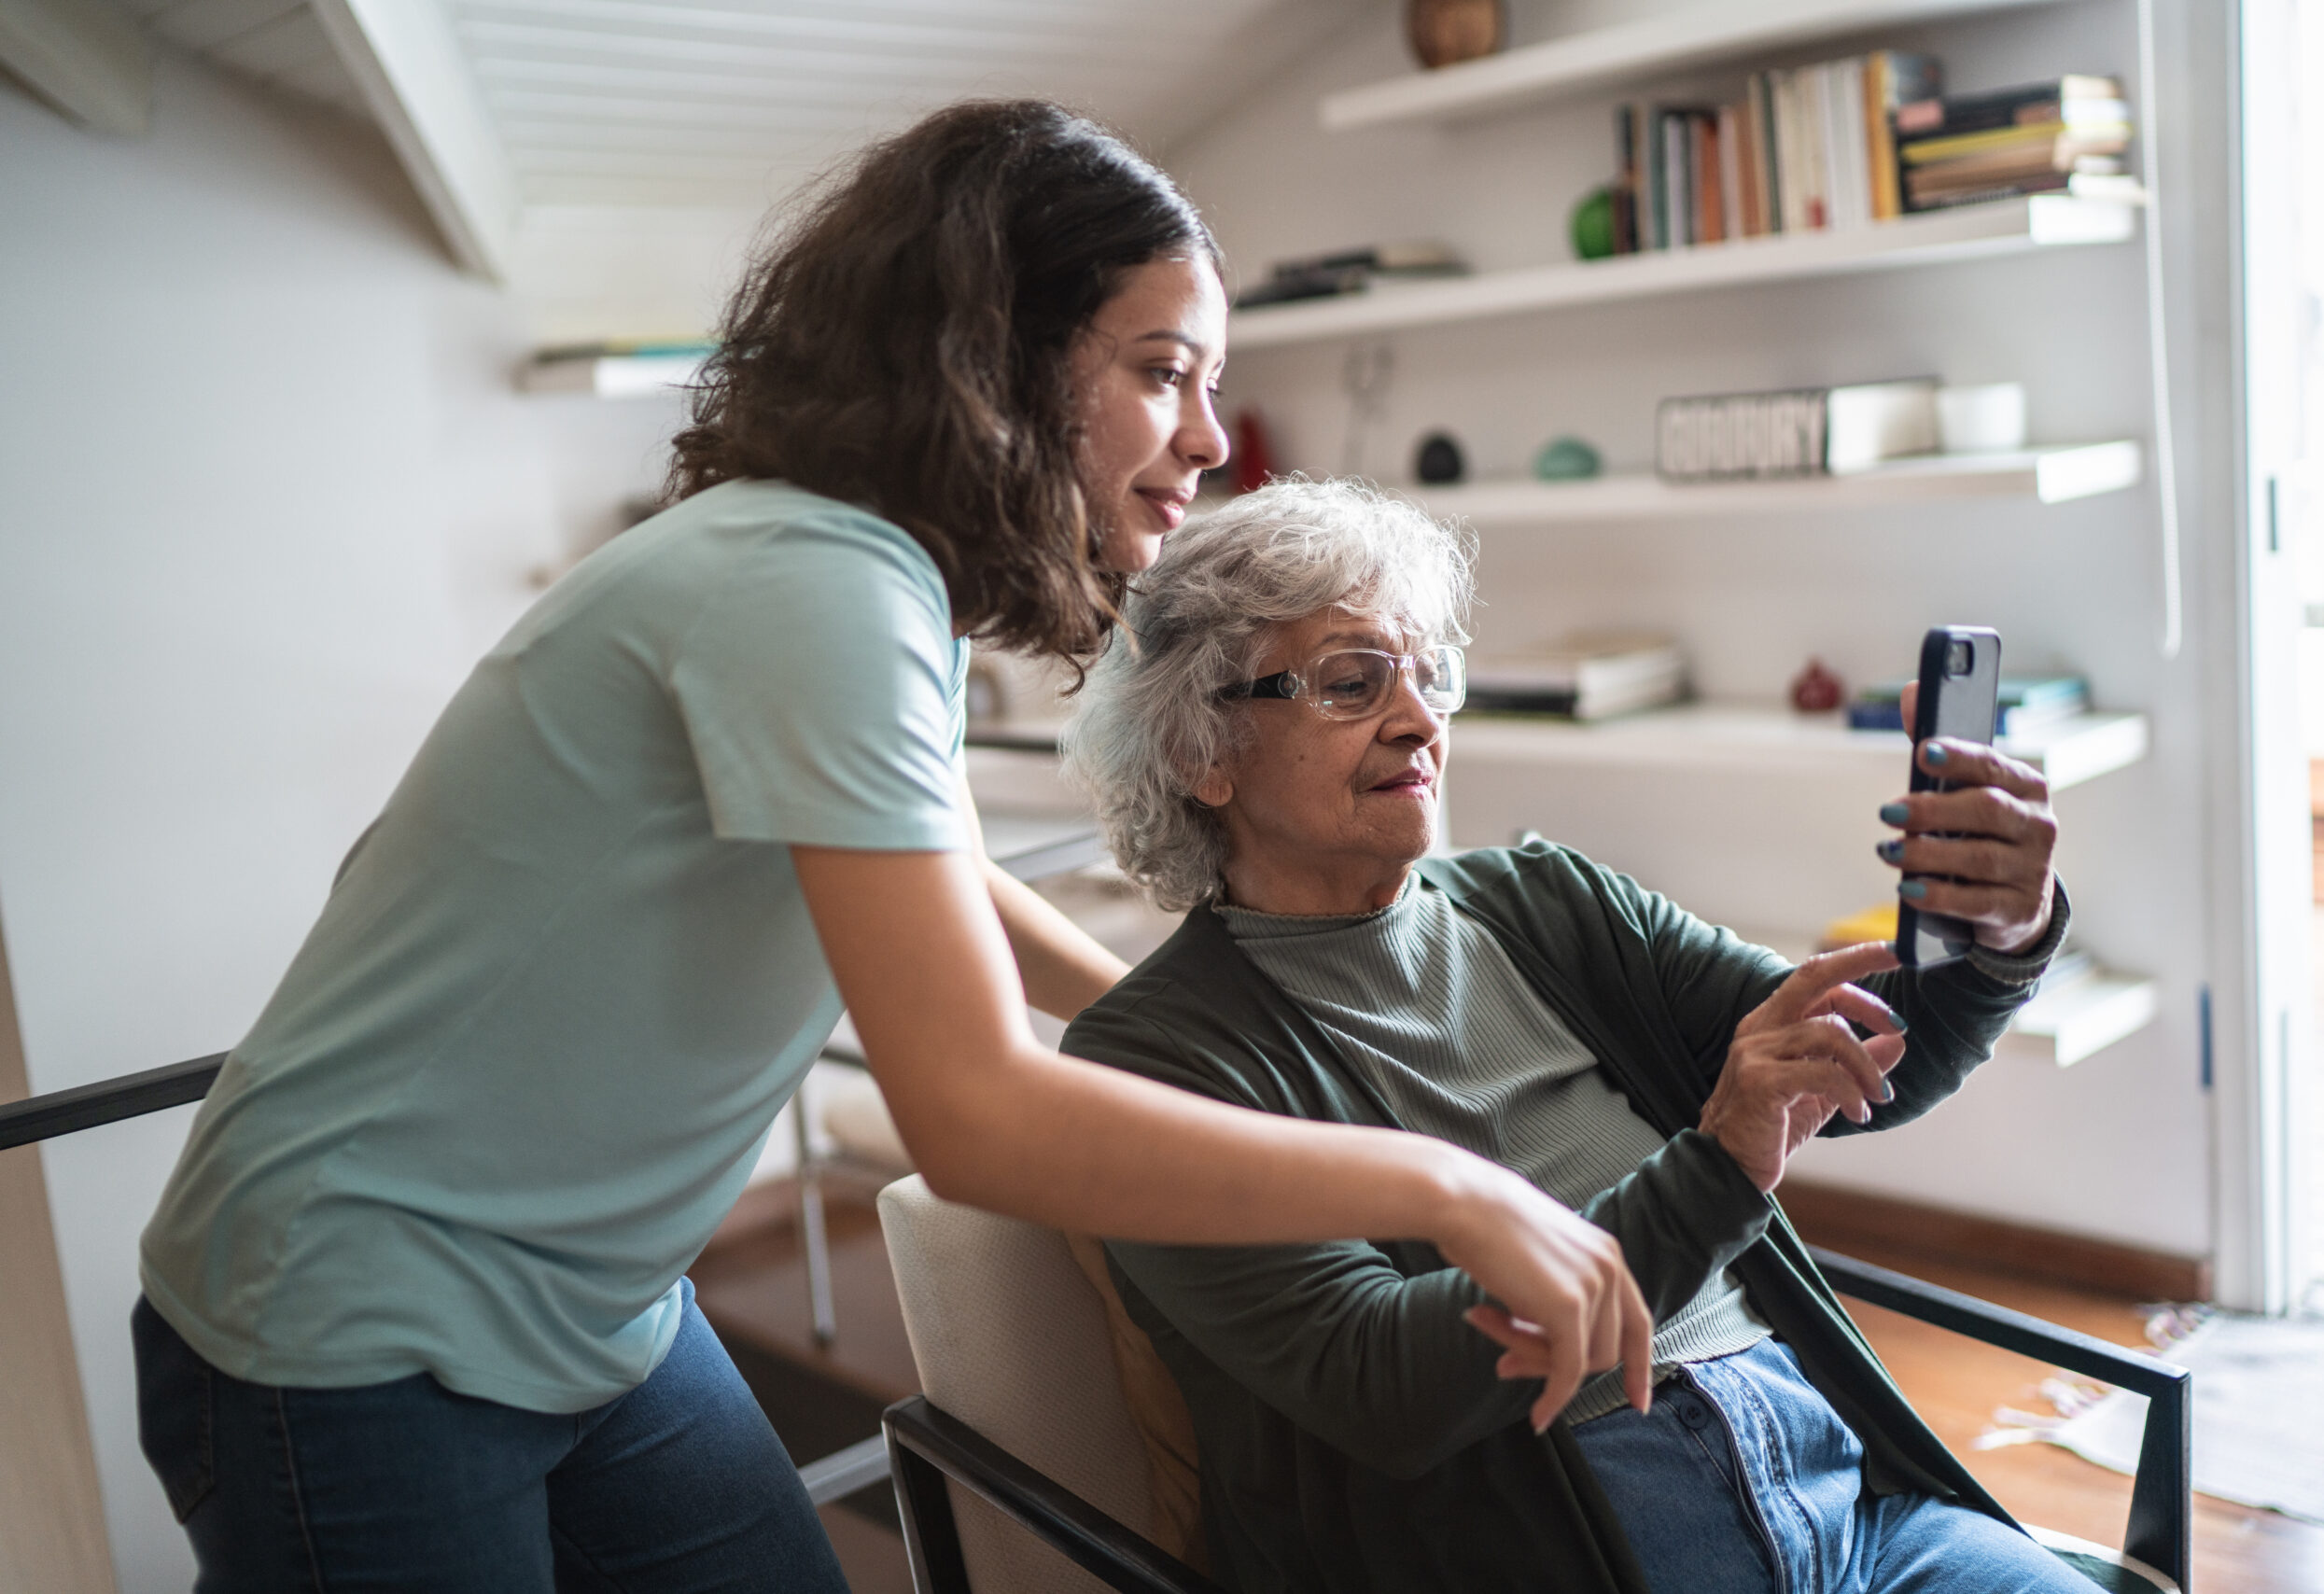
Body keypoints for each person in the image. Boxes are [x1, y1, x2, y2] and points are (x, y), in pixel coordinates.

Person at [130, 105, 1648, 1593]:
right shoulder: (815, 581)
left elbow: (949, 887)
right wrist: (1451, 1188)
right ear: (1004, 355)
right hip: (352, 1312)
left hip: (593, 1312)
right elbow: (974, 1115)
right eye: (1163, 370)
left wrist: (1171, 1014)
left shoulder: (852, 573)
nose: (1202, 436)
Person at [1060, 479, 2097, 1593]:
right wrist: (1715, 1169)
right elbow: (1386, 1382)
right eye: (1352, 682)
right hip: (1574, 1541)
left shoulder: (1547, 903)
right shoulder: (1151, 1066)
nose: (1417, 719)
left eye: (1427, 673)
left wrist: (1999, 932)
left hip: (1845, 1500)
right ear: (1200, 751)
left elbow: (1863, 1062)